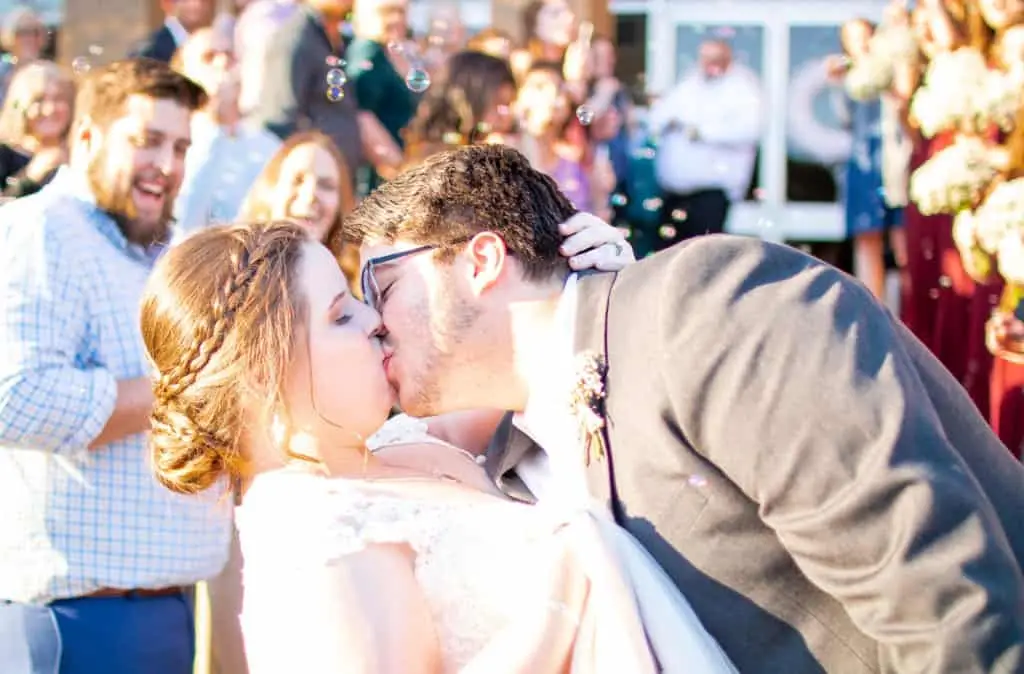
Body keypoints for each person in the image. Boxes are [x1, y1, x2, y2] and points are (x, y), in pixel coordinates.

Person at [348, 143, 1024, 673]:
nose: (372, 321)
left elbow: (938, 599)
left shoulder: (707, 309)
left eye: (380, 284)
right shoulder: (500, 463)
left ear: (481, 259)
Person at [140, 217, 739, 673]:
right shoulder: (311, 529)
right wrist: (568, 579)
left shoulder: (393, 446)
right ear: (265, 379)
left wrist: (580, 286)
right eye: (340, 316)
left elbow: (517, 355)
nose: (373, 319)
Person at [0, 59, 231, 673]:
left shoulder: (161, 250)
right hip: (77, 622)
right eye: (146, 140)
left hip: (163, 610)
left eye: (181, 146)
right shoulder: (42, 231)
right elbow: (13, 399)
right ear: (85, 139)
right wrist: (181, 389)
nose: (169, 164)